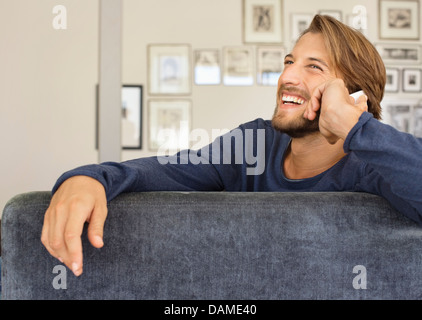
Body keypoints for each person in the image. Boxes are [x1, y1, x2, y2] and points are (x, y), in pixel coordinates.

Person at [41, 15, 422, 276]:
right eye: (290, 61)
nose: (287, 75)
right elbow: (167, 170)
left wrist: (356, 126)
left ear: (356, 97)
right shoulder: (254, 142)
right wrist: (91, 178)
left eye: (313, 67)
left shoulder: (376, 166)